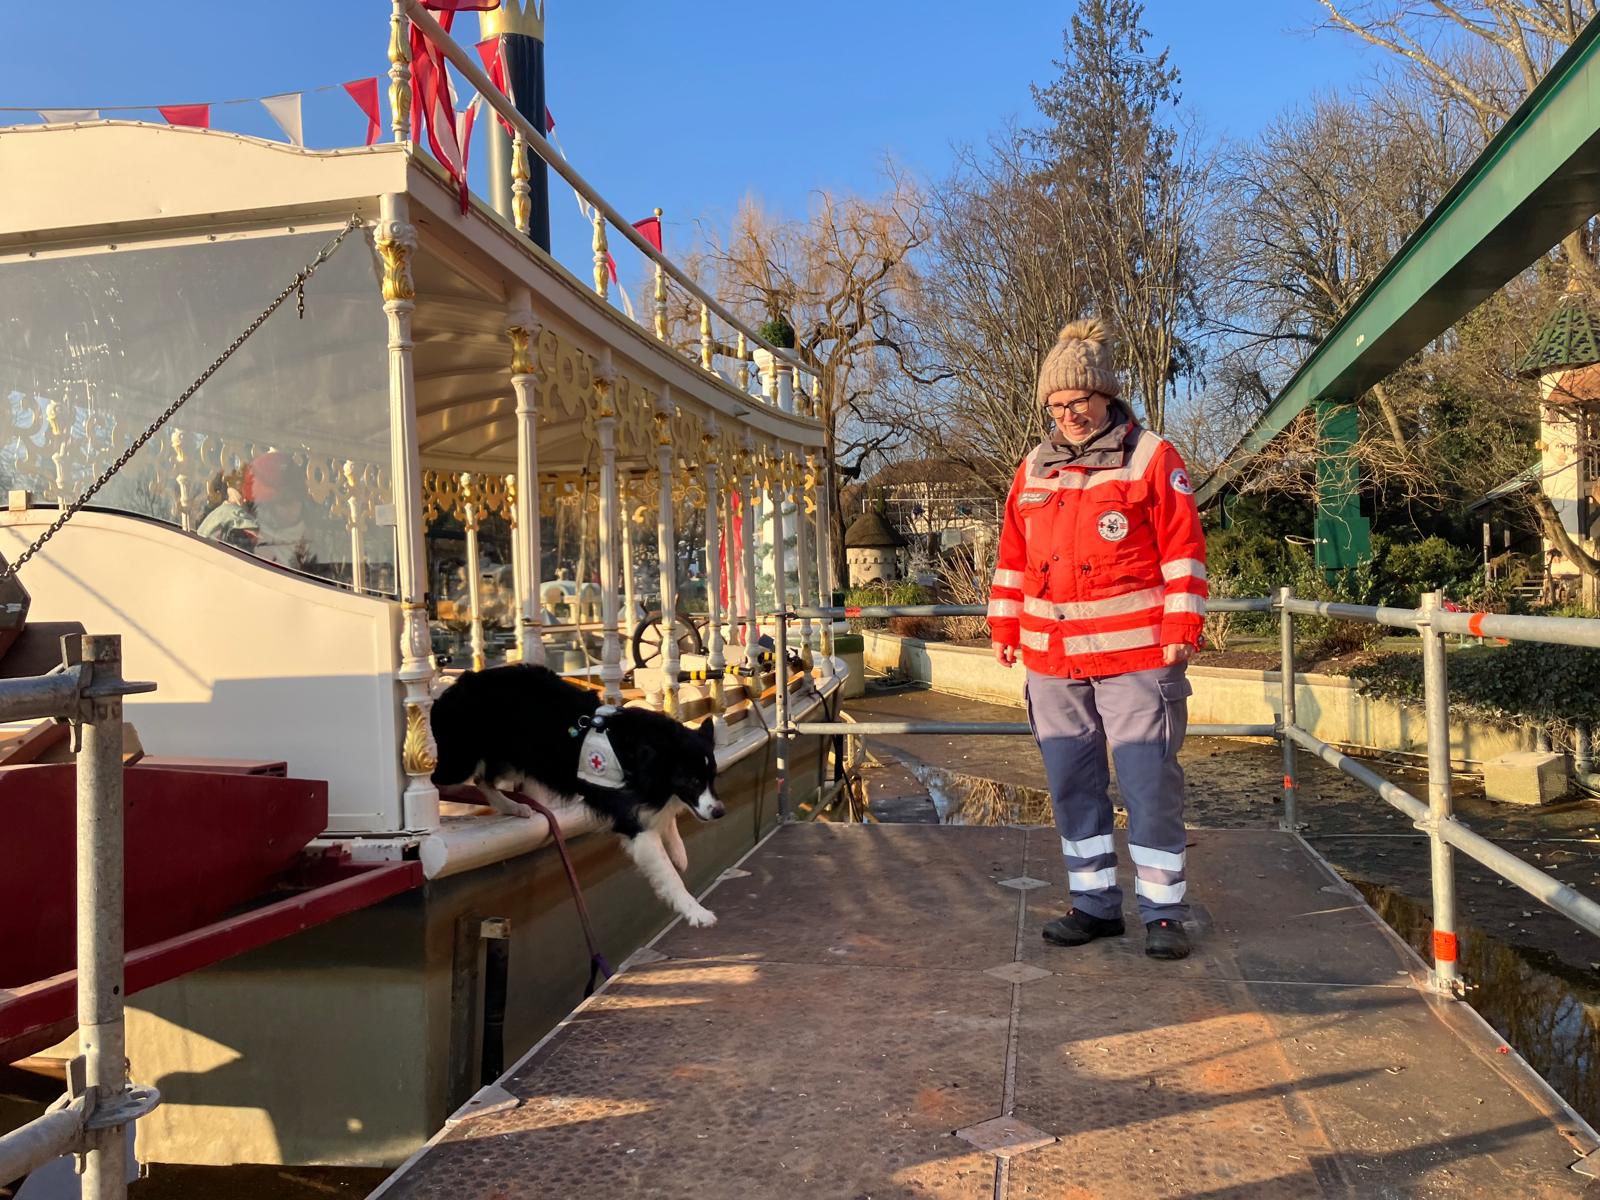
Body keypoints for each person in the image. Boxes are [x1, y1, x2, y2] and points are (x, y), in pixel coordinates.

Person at [987, 319, 1207, 961]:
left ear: (1106, 394)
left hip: (1135, 656)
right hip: (1053, 661)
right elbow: (1013, 559)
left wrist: (1182, 624)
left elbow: (1183, 551)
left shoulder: (1152, 458)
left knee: (1147, 783)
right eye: (1056, 405)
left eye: (1078, 401)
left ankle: (1163, 912)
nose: (1068, 414)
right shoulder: (1032, 470)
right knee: (1071, 784)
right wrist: (1004, 626)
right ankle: (1094, 904)